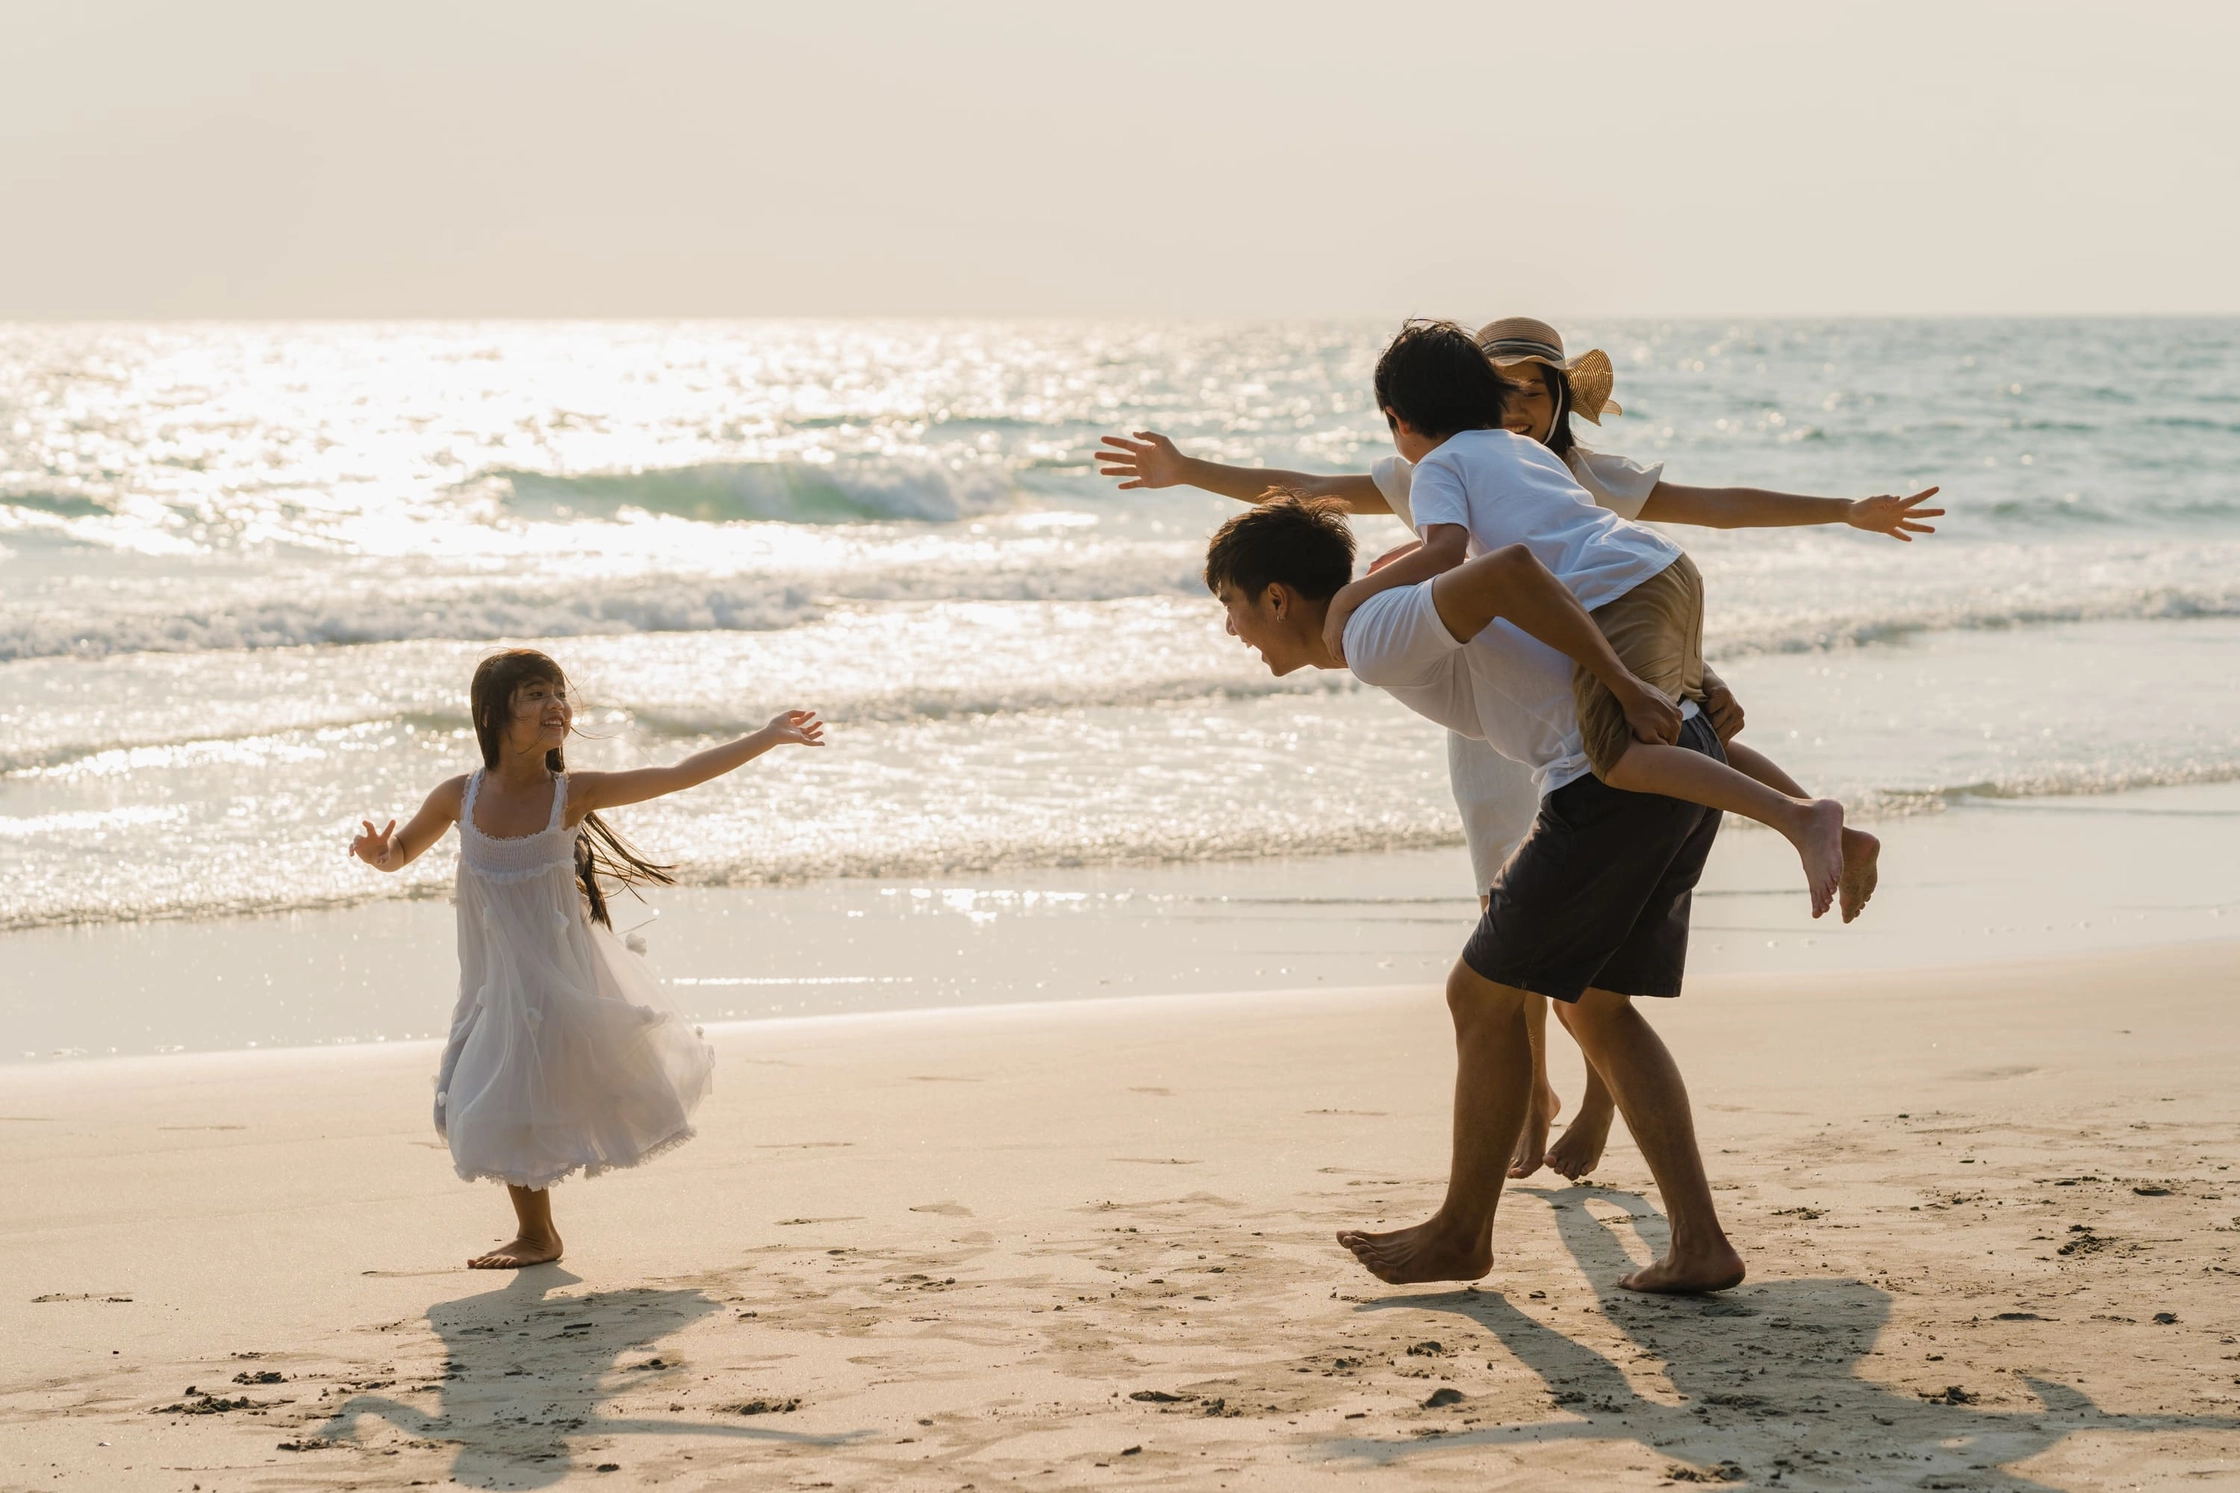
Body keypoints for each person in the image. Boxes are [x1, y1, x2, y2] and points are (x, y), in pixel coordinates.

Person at [1097, 316, 1939, 1177]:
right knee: (1530, 915)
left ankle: (1799, 820)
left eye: (1540, 390)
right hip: (1535, 668)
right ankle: (1535, 1094)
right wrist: (1190, 470)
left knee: (1581, 844)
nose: (1525, 405)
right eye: (1512, 390)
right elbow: (1305, 494)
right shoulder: (1507, 464)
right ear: (1486, 396)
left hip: (1570, 659)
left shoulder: (1465, 473)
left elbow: (1563, 553)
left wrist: (1359, 603)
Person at [1204, 494, 1742, 1292]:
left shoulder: (1372, 629)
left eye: (1231, 606)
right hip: (1655, 769)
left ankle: (1462, 1234)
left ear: (1276, 598)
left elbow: (1513, 571)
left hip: (1607, 785)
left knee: (1478, 996)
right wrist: (1693, 684)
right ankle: (1699, 1243)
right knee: (1593, 1004)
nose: (1231, 629)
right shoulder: (1381, 614)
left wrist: (1654, 685)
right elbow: (1541, 604)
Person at [1325, 321, 1882, 926]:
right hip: (1659, 570)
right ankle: (1836, 833)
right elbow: (1517, 537)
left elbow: (1446, 553)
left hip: (1614, 594)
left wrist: (1349, 597)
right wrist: (1398, 562)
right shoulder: (1523, 452)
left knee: (1617, 755)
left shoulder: (1435, 467)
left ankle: (1804, 818)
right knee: (1688, 733)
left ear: (1397, 419)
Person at [349, 648, 824, 1268]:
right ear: (494, 715)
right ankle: (538, 1232)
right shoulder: (457, 797)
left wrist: (766, 737)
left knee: (521, 1090)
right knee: (490, 1093)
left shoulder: (571, 795)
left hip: (559, 976)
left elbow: (679, 772)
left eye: (557, 693)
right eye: (534, 695)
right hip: (493, 980)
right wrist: (377, 854)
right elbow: (400, 855)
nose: (555, 705)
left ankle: (537, 1236)